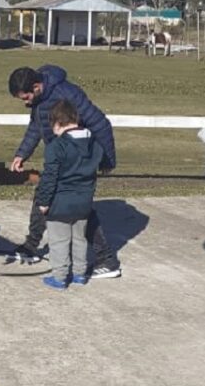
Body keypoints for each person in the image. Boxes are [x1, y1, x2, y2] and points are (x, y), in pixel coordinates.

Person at [7, 65, 121, 279]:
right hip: (60, 155)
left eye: (26, 97)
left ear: (37, 86)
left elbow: (100, 124)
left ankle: (107, 259)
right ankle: (31, 247)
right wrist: (22, 154)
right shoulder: (39, 101)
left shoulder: (67, 94)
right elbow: (36, 127)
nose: (26, 102)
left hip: (77, 158)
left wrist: (107, 160)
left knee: (79, 209)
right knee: (45, 196)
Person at [35, 99, 102, 290]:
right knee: (80, 239)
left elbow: (49, 178)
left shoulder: (56, 146)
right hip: (84, 202)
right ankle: (80, 274)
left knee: (59, 241)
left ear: (58, 123)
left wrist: (43, 201)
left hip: (60, 203)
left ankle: (60, 277)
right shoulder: (94, 144)